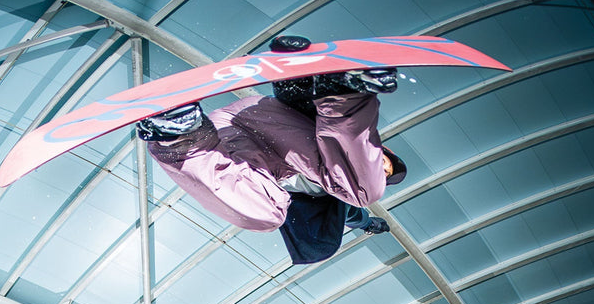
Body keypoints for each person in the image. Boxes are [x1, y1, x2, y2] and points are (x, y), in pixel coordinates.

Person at [137, 35, 406, 265]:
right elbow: (359, 174)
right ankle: (334, 89)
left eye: (382, 173)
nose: (380, 169)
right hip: (269, 121)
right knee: (365, 191)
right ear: (380, 150)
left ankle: (179, 134)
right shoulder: (347, 166)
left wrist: (370, 224)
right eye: (384, 163)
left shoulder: (340, 196)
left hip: (225, 147)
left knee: (267, 217)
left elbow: (354, 216)